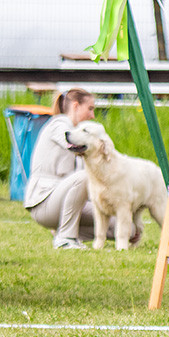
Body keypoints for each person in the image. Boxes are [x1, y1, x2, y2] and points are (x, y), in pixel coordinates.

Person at [24, 88, 100, 250]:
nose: (92, 115)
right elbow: (72, 144)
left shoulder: (76, 132)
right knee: (85, 176)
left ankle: (66, 233)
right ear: (76, 106)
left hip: (66, 202)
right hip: (44, 204)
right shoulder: (59, 123)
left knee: (122, 226)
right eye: (90, 109)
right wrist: (100, 145)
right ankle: (66, 238)